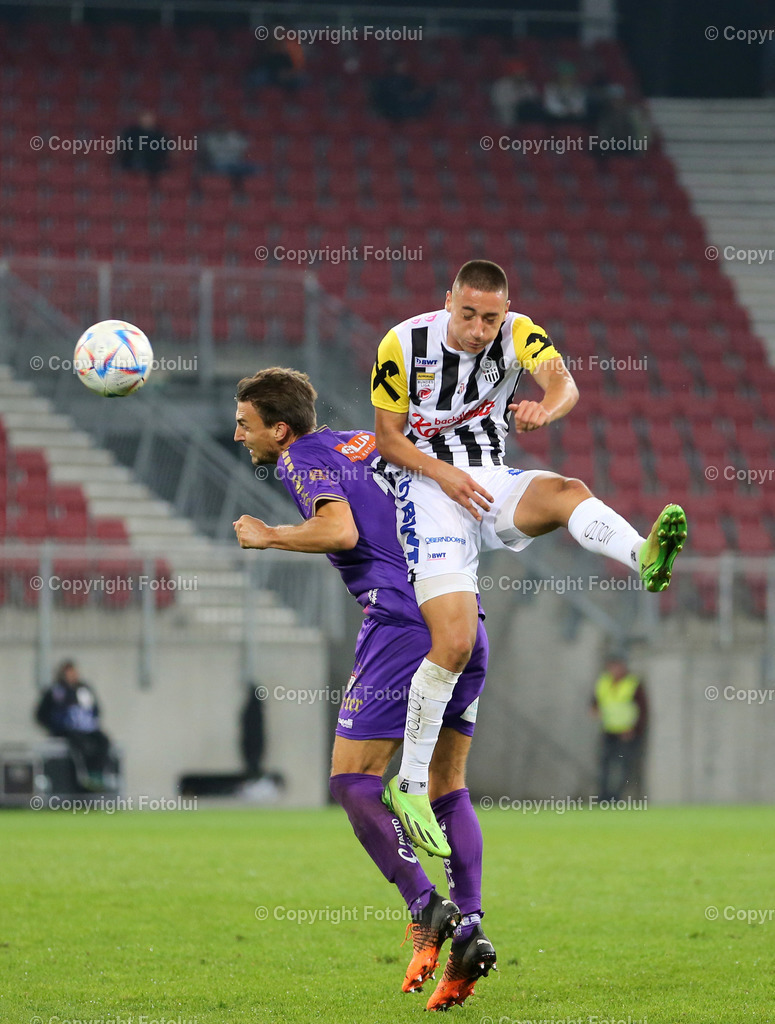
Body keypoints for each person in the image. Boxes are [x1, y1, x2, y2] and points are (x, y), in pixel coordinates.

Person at [370, 258, 687, 854]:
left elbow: (563, 383)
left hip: (489, 479)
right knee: (456, 643)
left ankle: (642, 555)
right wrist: (443, 474)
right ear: (448, 302)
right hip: (427, 492)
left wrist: (548, 408)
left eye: (489, 319)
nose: (478, 329)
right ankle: (408, 785)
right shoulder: (403, 343)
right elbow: (388, 438)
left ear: (504, 313)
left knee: (567, 491)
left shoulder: (519, 332)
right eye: (468, 314)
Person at [232, 368, 496, 1010]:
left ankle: (425, 906)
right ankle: (469, 928)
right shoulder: (363, 442)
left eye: (245, 424)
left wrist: (269, 535)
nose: (238, 435)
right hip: (461, 619)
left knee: (353, 781)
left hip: (403, 624)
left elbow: (340, 531)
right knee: (446, 786)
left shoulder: (300, 458)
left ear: (281, 429)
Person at [35, 659, 113, 790]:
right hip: (68, 731)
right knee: (80, 745)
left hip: (87, 729)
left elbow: (95, 709)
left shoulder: (84, 690)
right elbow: (42, 714)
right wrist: (55, 726)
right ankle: (83, 774)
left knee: (103, 741)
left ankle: (97, 774)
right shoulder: (55, 691)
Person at [590, 656, 648, 800]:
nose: (614, 670)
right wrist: (594, 709)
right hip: (608, 730)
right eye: (612, 667)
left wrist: (635, 729)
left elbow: (642, 709)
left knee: (623, 765)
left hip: (627, 732)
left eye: (617, 667)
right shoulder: (604, 682)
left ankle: (617, 797)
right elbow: (595, 700)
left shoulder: (632, 683)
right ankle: (604, 797)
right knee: (605, 764)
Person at [118, 109, 170, 182]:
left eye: (149, 119)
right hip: (132, 163)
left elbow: (165, 149)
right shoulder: (131, 132)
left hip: (153, 165)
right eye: (145, 118)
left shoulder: (159, 134)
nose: (147, 121)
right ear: (140, 119)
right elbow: (124, 148)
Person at [490, 59, 543, 126]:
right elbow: (499, 103)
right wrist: (519, 101)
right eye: (519, 73)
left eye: (523, 73)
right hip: (509, 115)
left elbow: (535, 99)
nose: (522, 75)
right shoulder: (501, 85)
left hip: (528, 115)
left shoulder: (528, 85)